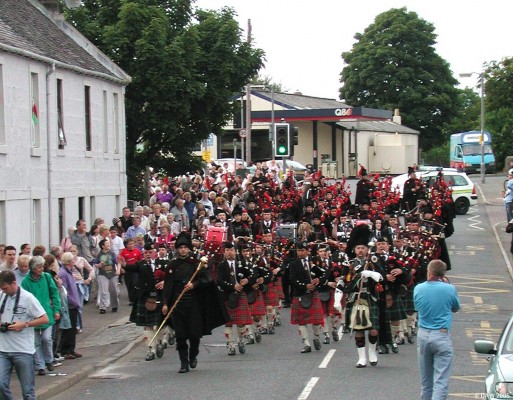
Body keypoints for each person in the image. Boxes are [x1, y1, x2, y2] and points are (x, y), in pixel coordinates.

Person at [162, 232, 228, 373]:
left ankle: (193, 355)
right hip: (177, 305)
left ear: (189, 249)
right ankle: (183, 363)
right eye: (180, 248)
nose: (183, 250)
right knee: (180, 335)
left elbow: (208, 279)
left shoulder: (196, 264)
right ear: (177, 249)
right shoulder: (172, 266)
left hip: (194, 305)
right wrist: (165, 303)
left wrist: (194, 285)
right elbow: (168, 286)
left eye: (185, 247)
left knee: (194, 334)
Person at [414, 260, 460, 400]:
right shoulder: (450, 289)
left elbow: (417, 307)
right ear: (443, 274)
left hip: (423, 334)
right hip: (440, 334)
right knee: (440, 381)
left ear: (429, 271)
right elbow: (455, 307)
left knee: (426, 382)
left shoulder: (419, 288)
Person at [0, 270, 49, 400]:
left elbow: (44, 319)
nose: (3, 291)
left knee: (28, 392)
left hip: (23, 351)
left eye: (5, 288)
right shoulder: (1, 295)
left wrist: (24, 324)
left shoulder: (27, 298)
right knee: (1, 385)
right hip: (3, 350)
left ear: (14, 283)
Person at [20, 256, 61, 375]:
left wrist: (56, 310)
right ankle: (40, 366)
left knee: (47, 338)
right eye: (38, 267)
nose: (41, 269)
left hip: (47, 314)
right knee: (36, 342)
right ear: (32, 268)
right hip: (32, 316)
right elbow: (24, 299)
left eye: (42, 266)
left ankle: (49, 360)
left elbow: (54, 294)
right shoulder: (26, 282)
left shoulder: (47, 277)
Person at [58, 253, 83, 360]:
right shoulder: (63, 273)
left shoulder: (69, 272)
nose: (74, 262)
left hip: (74, 304)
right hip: (69, 305)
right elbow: (64, 291)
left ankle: (71, 349)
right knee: (68, 329)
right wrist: (73, 302)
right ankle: (65, 350)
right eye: (73, 260)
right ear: (68, 261)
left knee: (73, 329)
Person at [93, 239, 120, 314]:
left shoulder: (112, 254)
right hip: (103, 274)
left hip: (112, 273)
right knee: (104, 291)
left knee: (113, 290)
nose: (108, 245)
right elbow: (95, 263)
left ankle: (114, 305)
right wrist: (99, 265)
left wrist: (118, 270)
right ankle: (103, 307)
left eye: (109, 243)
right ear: (102, 246)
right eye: (106, 244)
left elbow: (118, 262)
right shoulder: (99, 254)